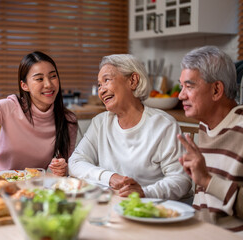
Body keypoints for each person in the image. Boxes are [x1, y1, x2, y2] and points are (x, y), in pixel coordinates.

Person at [68, 54, 192, 200]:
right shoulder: (100, 123)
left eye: (106, 80)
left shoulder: (163, 125)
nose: (101, 90)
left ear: (133, 80)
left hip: (152, 210)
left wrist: (144, 192)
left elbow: (181, 180)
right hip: (115, 206)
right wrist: (111, 177)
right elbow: (75, 162)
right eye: (99, 84)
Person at [177, 46, 243, 235]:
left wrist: (206, 180)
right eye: (181, 86)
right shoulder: (206, 125)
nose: (181, 95)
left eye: (189, 86)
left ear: (216, 90)